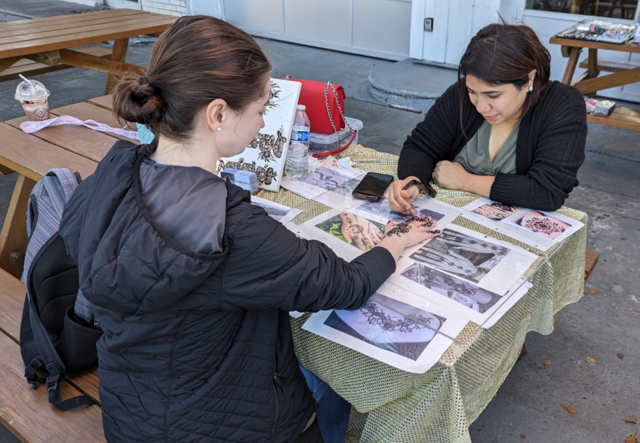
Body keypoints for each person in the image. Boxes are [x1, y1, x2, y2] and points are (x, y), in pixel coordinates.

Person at [58, 15, 441, 443]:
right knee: (329, 381)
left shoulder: (105, 180)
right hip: (230, 426)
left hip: (133, 413)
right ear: (218, 113)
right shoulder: (230, 232)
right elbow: (346, 284)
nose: (262, 123)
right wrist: (396, 242)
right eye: (260, 109)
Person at [389, 23, 587, 214]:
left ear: (529, 79)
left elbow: (548, 191)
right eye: (472, 91)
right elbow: (420, 146)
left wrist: (466, 181)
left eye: (494, 95)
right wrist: (412, 183)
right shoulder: (460, 96)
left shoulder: (563, 104)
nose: (481, 106)